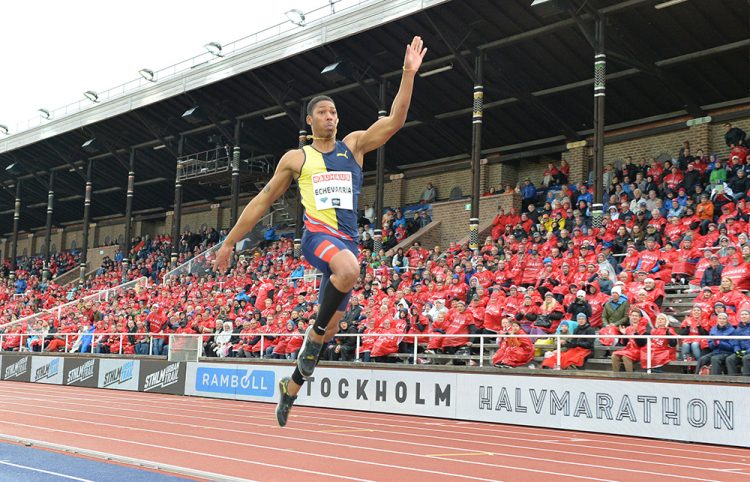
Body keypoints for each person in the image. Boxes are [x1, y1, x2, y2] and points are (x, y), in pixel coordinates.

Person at [214, 36, 427, 427]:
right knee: (347, 274)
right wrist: (230, 242)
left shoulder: (355, 147)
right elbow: (262, 201)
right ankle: (312, 340)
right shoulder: (298, 158)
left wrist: (408, 74)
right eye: (323, 113)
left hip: (346, 242)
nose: (331, 117)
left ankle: (290, 388)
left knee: (330, 330)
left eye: (334, 112)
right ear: (310, 121)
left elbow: (395, 120)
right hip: (317, 238)